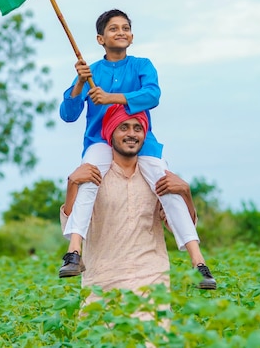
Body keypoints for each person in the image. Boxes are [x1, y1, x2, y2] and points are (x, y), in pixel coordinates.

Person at [59, 9, 215, 287]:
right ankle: (73, 251)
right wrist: (80, 83)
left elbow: (152, 95)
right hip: (99, 142)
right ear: (100, 38)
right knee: (89, 181)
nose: (120, 32)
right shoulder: (90, 71)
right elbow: (68, 114)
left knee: (167, 186)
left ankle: (198, 261)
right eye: (113, 28)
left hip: (141, 144)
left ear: (131, 36)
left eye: (125, 28)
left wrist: (110, 98)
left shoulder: (143, 65)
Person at [59, 105, 217, 294]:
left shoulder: (156, 178)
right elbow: (70, 222)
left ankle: (199, 264)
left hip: (151, 280)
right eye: (123, 127)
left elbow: (177, 223)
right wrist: (72, 183)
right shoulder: (94, 175)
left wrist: (186, 192)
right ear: (111, 134)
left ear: (145, 134)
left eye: (138, 128)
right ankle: (74, 253)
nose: (131, 134)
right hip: (102, 282)